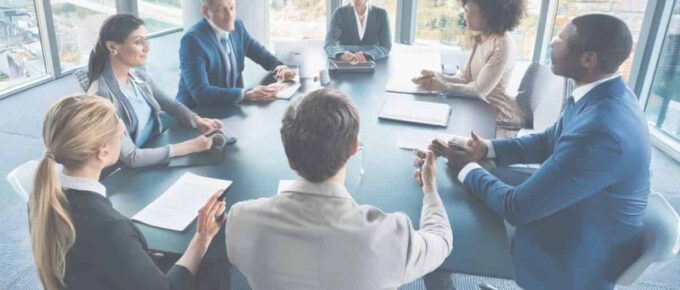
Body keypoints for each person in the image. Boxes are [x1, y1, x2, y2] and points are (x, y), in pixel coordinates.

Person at [427, 14, 650, 290]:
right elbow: (549, 141)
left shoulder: (602, 131)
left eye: (561, 39)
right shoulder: (603, 93)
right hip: (579, 208)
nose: (552, 43)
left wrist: (466, 167)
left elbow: (516, 208)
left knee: (447, 231)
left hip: (577, 255)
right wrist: (488, 148)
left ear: (588, 60)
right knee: (465, 189)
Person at [224, 89, 452, 290]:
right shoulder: (392, 237)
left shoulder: (241, 220)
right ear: (354, 147)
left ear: (290, 158)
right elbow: (441, 241)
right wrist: (430, 189)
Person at [28, 95, 225, 290]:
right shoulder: (111, 228)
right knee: (211, 267)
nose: (124, 138)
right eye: (121, 135)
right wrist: (202, 237)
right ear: (103, 153)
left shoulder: (42, 199)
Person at [87, 14, 223, 168]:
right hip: (129, 171)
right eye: (138, 42)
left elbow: (170, 104)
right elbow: (131, 157)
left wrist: (196, 120)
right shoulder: (101, 96)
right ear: (112, 47)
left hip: (156, 147)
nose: (147, 48)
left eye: (146, 40)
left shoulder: (138, 75)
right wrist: (191, 146)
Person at [413, 0, 525, 137]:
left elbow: (479, 90)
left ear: (488, 14)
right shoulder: (482, 36)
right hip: (477, 108)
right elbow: (466, 78)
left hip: (497, 118)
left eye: (468, 11)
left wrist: (443, 86)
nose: (465, 16)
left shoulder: (503, 44)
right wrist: (437, 77)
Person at [176, 0, 297, 107]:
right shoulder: (192, 41)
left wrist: (279, 67)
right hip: (196, 114)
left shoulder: (237, 27)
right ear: (206, 11)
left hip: (229, 108)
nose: (229, 16)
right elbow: (201, 93)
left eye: (231, 7)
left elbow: (260, 53)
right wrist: (246, 94)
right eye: (220, 9)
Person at [325, 0, 392, 62]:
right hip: (345, 65)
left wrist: (367, 55)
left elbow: (386, 47)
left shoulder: (381, 14)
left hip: (373, 64)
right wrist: (341, 54)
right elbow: (329, 44)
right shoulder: (339, 13)